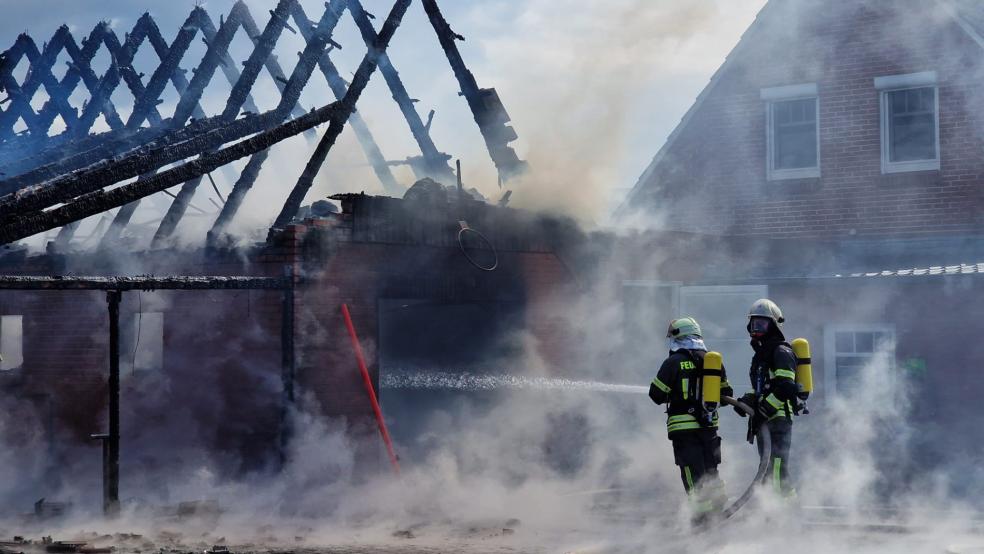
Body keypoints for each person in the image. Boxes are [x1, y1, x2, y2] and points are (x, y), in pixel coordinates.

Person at [649, 317, 734, 526]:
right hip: (709, 428)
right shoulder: (713, 361)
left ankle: (701, 520)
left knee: (692, 472)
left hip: (683, 430)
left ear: (678, 337)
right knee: (711, 470)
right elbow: (727, 394)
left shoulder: (673, 362)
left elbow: (656, 394)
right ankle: (718, 514)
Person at [736, 299, 799, 498]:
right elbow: (764, 388)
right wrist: (748, 401)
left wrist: (764, 409)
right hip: (765, 422)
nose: (757, 329)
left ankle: (789, 516)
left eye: (762, 324)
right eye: (754, 324)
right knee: (767, 470)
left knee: (778, 471)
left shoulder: (781, 351)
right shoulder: (761, 355)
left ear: (773, 326)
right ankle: (769, 514)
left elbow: (786, 387)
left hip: (779, 421)